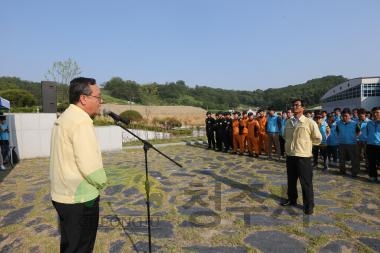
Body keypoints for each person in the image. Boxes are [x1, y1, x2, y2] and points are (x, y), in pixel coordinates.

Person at [50, 77, 108, 252]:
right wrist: (103, 182)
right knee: (81, 247)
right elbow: (89, 165)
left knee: (70, 245)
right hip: (80, 199)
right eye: (98, 97)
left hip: (62, 195)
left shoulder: (65, 117)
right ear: (83, 98)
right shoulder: (81, 122)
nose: (101, 101)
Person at [280, 99, 322, 215]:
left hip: (303, 157)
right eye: (293, 105)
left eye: (297, 105)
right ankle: (292, 199)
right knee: (291, 180)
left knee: (306, 183)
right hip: (291, 155)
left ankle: (309, 205)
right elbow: (285, 136)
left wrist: (305, 145)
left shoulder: (309, 122)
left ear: (303, 108)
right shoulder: (288, 122)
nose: (294, 107)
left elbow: (318, 138)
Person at [336, 108, 361, 177]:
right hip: (342, 144)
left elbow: (359, 132)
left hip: (352, 144)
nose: (344, 117)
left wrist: (354, 138)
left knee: (354, 159)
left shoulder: (355, 123)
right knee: (341, 159)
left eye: (346, 116)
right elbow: (337, 131)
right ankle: (342, 171)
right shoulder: (338, 123)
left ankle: (354, 172)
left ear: (350, 115)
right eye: (343, 116)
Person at [363, 106, 380, 182]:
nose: (375, 114)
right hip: (370, 145)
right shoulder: (369, 123)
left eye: (377, 112)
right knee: (371, 162)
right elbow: (366, 133)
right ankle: (373, 176)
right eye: (374, 113)